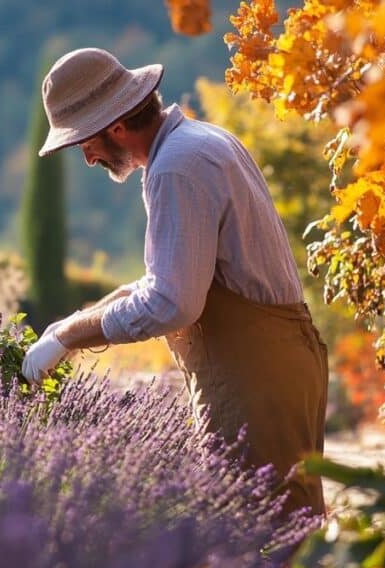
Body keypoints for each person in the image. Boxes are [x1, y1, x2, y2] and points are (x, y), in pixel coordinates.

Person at [21, 47, 328, 516]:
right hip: (268, 366)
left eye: (85, 143)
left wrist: (68, 338)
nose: (88, 158)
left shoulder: (177, 167)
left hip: (256, 379)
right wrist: (73, 325)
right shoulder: (199, 143)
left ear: (116, 127)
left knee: (266, 542)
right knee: (272, 534)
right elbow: (165, 280)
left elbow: (171, 303)